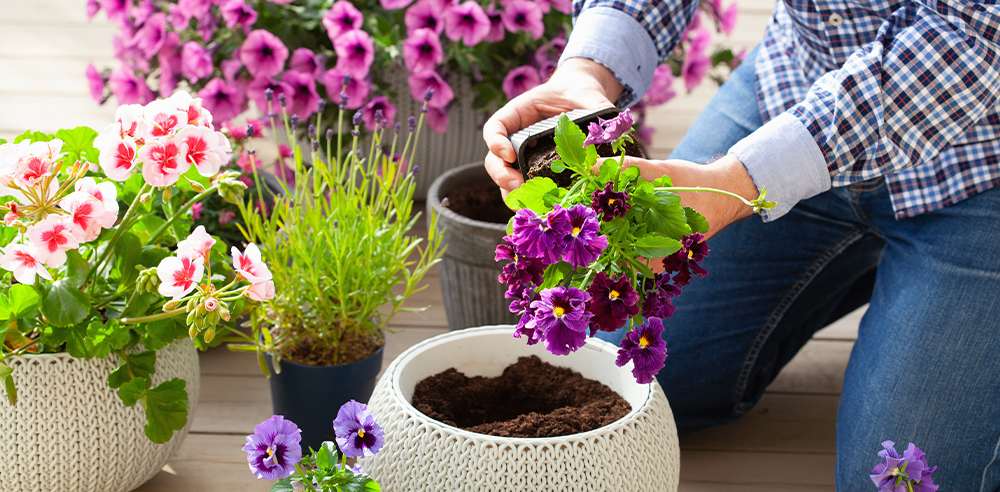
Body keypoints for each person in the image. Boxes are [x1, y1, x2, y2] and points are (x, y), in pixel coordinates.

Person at [482, 0, 1000, 489]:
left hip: (979, 164)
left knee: (899, 474)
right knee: (632, 383)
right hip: (799, 86)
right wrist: (586, 72)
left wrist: (733, 185)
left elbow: (973, 38)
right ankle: (871, 268)